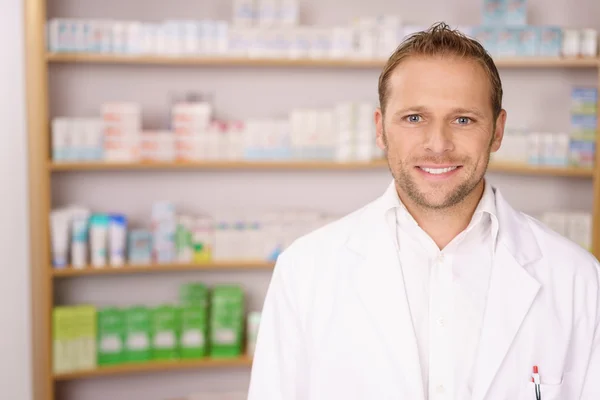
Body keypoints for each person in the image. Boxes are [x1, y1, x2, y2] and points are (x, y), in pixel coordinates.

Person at [247, 22, 600, 400]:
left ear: (497, 131)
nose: (438, 144)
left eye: (463, 119)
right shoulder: (305, 270)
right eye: (414, 118)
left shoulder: (577, 278)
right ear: (381, 129)